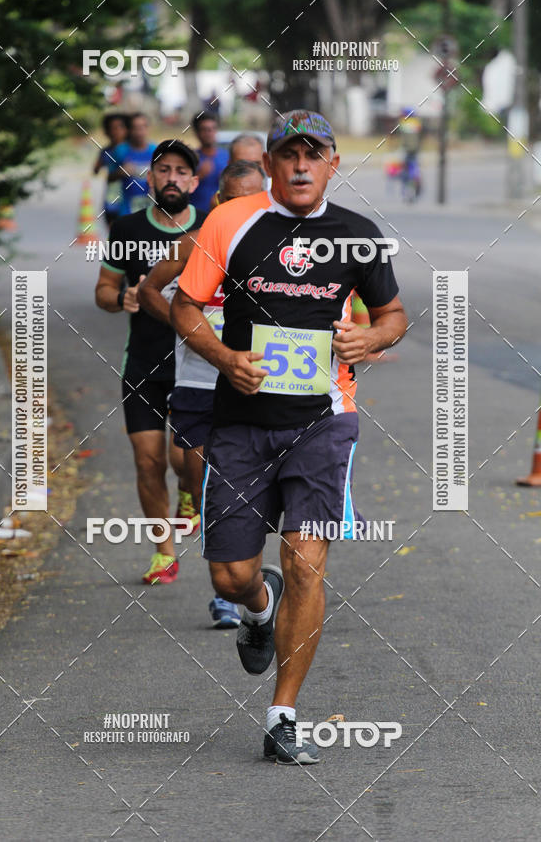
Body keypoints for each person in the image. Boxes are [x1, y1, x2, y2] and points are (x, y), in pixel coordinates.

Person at [171, 110, 408, 764]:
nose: (302, 165)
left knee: (308, 561)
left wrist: (374, 336)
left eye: (315, 154)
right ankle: (255, 606)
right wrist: (223, 358)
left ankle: (283, 715)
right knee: (230, 574)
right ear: (270, 163)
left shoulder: (358, 235)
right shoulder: (230, 222)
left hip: (323, 420)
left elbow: (393, 314)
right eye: (289, 154)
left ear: (334, 163)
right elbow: (185, 305)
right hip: (243, 421)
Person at [138, 160, 267, 626]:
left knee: (237, 487)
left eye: (250, 202)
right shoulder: (193, 244)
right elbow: (152, 289)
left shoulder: (276, 250)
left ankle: (232, 589)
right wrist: (183, 325)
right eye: (232, 201)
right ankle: (238, 575)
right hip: (196, 384)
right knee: (200, 483)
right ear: (217, 201)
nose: (240, 211)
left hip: (251, 384)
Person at [95, 140, 206, 585]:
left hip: (195, 365)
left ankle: (188, 495)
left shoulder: (210, 231)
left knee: (185, 461)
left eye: (182, 171)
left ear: (194, 181)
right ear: (151, 178)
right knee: (147, 461)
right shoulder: (125, 229)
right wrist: (120, 297)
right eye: (164, 170)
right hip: (142, 364)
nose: (173, 178)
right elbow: (102, 291)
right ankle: (164, 552)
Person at [93, 114, 129, 227]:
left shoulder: (131, 149)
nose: (116, 131)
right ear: (107, 132)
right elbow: (96, 170)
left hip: (130, 200)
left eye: (120, 127)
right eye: (113, 128)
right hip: (112, 200)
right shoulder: (106, 151)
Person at [189, 112, 228, 214]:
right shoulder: (190, 158)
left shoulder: (227, 156)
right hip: (195, 216)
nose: (209, 133)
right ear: (196, 133)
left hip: (221, 216)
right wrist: (199, 175)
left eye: (212, 129)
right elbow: (180, 190)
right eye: (205, 130)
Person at [119, 113, 156, 215]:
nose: (139, 132)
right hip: (127, 209)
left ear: (148, 128)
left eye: (142, 127)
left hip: (150, 209)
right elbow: (109, 178)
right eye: (135, 128)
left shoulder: (155, 150)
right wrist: (120, 172)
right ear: (129, 130)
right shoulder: (121, 150)